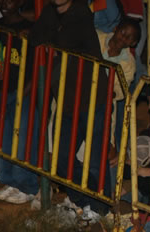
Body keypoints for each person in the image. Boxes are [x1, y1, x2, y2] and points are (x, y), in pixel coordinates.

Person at [30, 0, 111, 214]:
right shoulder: (50, 12)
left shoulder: (81, 12)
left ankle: (101, 210)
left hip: (93, 97)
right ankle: (83, 201)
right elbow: (34, 36)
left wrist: (52, 43)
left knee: (95, 160)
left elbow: (66, 39)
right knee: (61, 157)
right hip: (67, 99)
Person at [0, 0, 38, 205]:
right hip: (1, 88)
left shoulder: (31, 29)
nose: (5, 3)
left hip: (23, 92)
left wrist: (23, 93)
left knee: (22, 137)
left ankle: (26, 185)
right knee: (4, 136)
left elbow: (36, 67)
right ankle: (9, 180)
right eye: (1, 0)